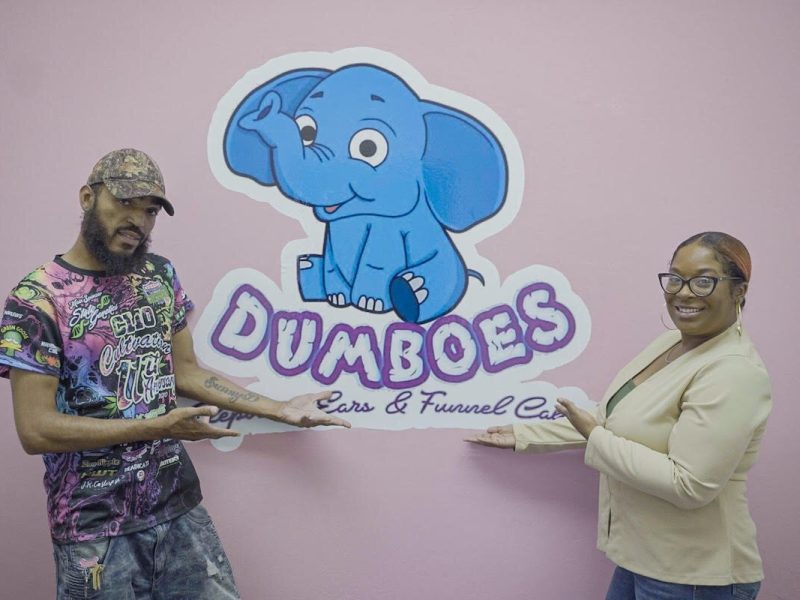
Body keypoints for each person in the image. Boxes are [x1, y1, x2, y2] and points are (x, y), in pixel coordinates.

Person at [0, 148, 351, 599]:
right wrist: (159, 427)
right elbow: (35, 430)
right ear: (87, 198)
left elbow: (186, 373)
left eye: (149, 210)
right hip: (93, 528)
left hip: (177, 506)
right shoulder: (36, 299)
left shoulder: (158, 275)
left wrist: (280, 409)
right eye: (124, 202)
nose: (137, 221)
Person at [467, 232, 771, 600]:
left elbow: (689, 485)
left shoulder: (734, 372)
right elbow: (615, 420)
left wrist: (596, 438)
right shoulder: (672, 343)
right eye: (675, 279)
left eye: (704, 281)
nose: (684, 292)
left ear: (739, 290)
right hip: (644, 558)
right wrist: (525, 435)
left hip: (694, 575)